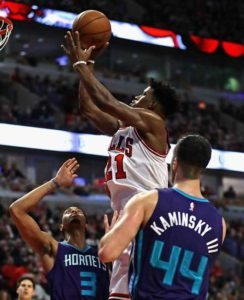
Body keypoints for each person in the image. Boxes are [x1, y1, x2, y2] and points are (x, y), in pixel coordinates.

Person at [62, 31, 180, 300]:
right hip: (124, 214)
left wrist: (81, 65)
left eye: (143, 94)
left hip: (147, 213)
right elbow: (89, 110)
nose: (136, 97)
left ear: (153, 104)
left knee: (137, 288)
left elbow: (107, 102)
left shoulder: (154, 124)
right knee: (119, 292)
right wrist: (88, 65)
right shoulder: (125, 128)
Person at [99, 135, 226, 299]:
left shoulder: (147, 201)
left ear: (175, 163)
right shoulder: (219, 223)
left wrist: (113, 232)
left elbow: (106, 253)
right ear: (202, 169)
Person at [9, 158, 109, 300]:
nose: (73, 212)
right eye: (68, 212)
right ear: (61, 227)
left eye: (78, 211)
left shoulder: (105, 254)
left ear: (87, 225)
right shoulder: (53, 248)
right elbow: (16, 210)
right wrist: (54, 183)